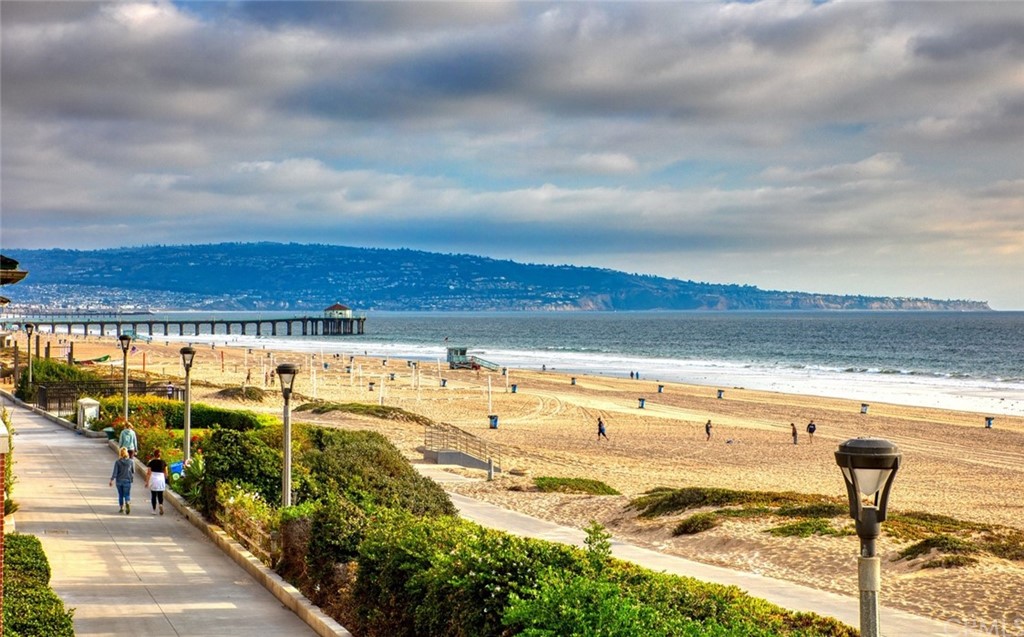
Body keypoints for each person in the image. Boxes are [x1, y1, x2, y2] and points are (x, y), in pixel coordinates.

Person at [109, 447, 135, 514]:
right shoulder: (131, 461)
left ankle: (121, 508)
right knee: (127, 494)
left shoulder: (117, 462)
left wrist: (111, 480)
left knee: (120, 495)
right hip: (127, 480)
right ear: (127, 453)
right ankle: (127, 502)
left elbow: (115, 472)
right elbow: (133, 471)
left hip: (119, 481)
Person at [146, 449, 168, 515]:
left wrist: (147, 482)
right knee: (160, 494)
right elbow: (166, 472)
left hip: (153, 478)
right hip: (160, 478)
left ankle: (154, 510)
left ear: (154, 455)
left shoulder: (151, 462)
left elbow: (148, 473)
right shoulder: (163, 462)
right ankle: (160, 504)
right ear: (160, 455)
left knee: (153, 495)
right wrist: (165, 479)